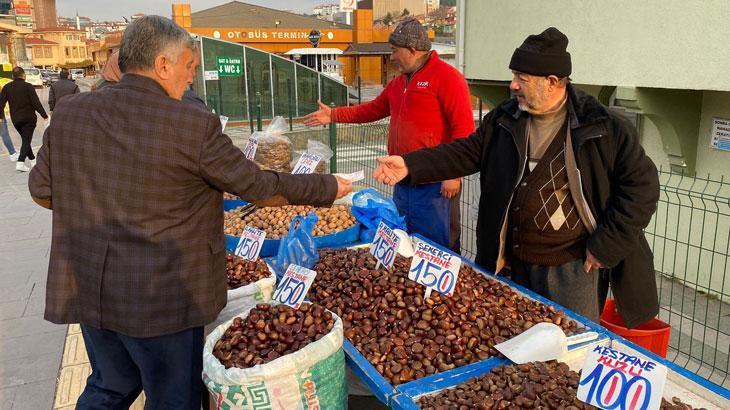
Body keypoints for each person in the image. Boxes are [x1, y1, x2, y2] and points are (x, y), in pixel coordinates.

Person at [28, 15, 352, 409]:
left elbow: (42, 190)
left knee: (109, 386)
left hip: (90, 285)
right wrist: (328, 186)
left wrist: (99, 209)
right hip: (161, 297)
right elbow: (260, 187)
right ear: (163, 65)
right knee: (173, 398)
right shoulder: (190, 124)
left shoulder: (72, 113)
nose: (191, 77)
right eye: (189, 66)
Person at [373, 27, 660, 327]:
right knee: (510, 342)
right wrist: (410, 165)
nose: (512, 85)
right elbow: (465, 152)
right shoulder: (505, 118)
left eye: (522, 79)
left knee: (569, 346)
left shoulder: (602, 127)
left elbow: (642, 189)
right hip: (511, 262)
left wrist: (607, 246)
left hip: (573, 269)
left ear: (552, 82)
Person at [303, 18, 474, 252]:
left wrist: (454, 175)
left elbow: (464, 129)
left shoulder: (448, 78)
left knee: (437, 246)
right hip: (401, 179)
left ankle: (442, 288)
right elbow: (372, 110)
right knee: (404, 240)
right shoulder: (398, 83)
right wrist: (334, 114)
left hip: (435, 185)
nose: (391, 57)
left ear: (412, 50)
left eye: (395, 51)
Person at [0, 67, 48, 172]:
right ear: (23, 75)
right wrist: (44, 115)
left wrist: (0, 117)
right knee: (26, 140)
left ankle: (33, 160)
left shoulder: (7, 87)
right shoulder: (28, 86)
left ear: (13, 76)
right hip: (29, 119)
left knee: (26, 139)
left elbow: (1, 104)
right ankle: (20, 162)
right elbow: (36, 103)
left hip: (16, 120)